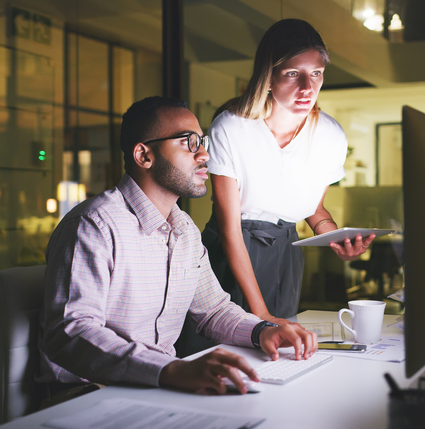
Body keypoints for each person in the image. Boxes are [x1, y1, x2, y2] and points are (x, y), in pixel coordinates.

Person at [37, 96, 318, 404]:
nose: (204, 154)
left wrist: (264, 330)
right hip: (88, 395)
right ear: (144, 155)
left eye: (203, 141)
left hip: (157, 388)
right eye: (189, 142)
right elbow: (71, 331)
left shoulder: (183, 229)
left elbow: (214, 311)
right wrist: (171, 369)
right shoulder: (94, 224)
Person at [204, 19, 375, 327]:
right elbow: (230, 229)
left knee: (278, 353)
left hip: (287, 251)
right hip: (233, 250)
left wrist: (337, 240)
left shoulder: (330, 135)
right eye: (293, 74)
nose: (307, 88)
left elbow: (315, 210)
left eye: (316, 74)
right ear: (267, 76)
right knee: (227, 347)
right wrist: (262, 315)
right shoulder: (231, 127)